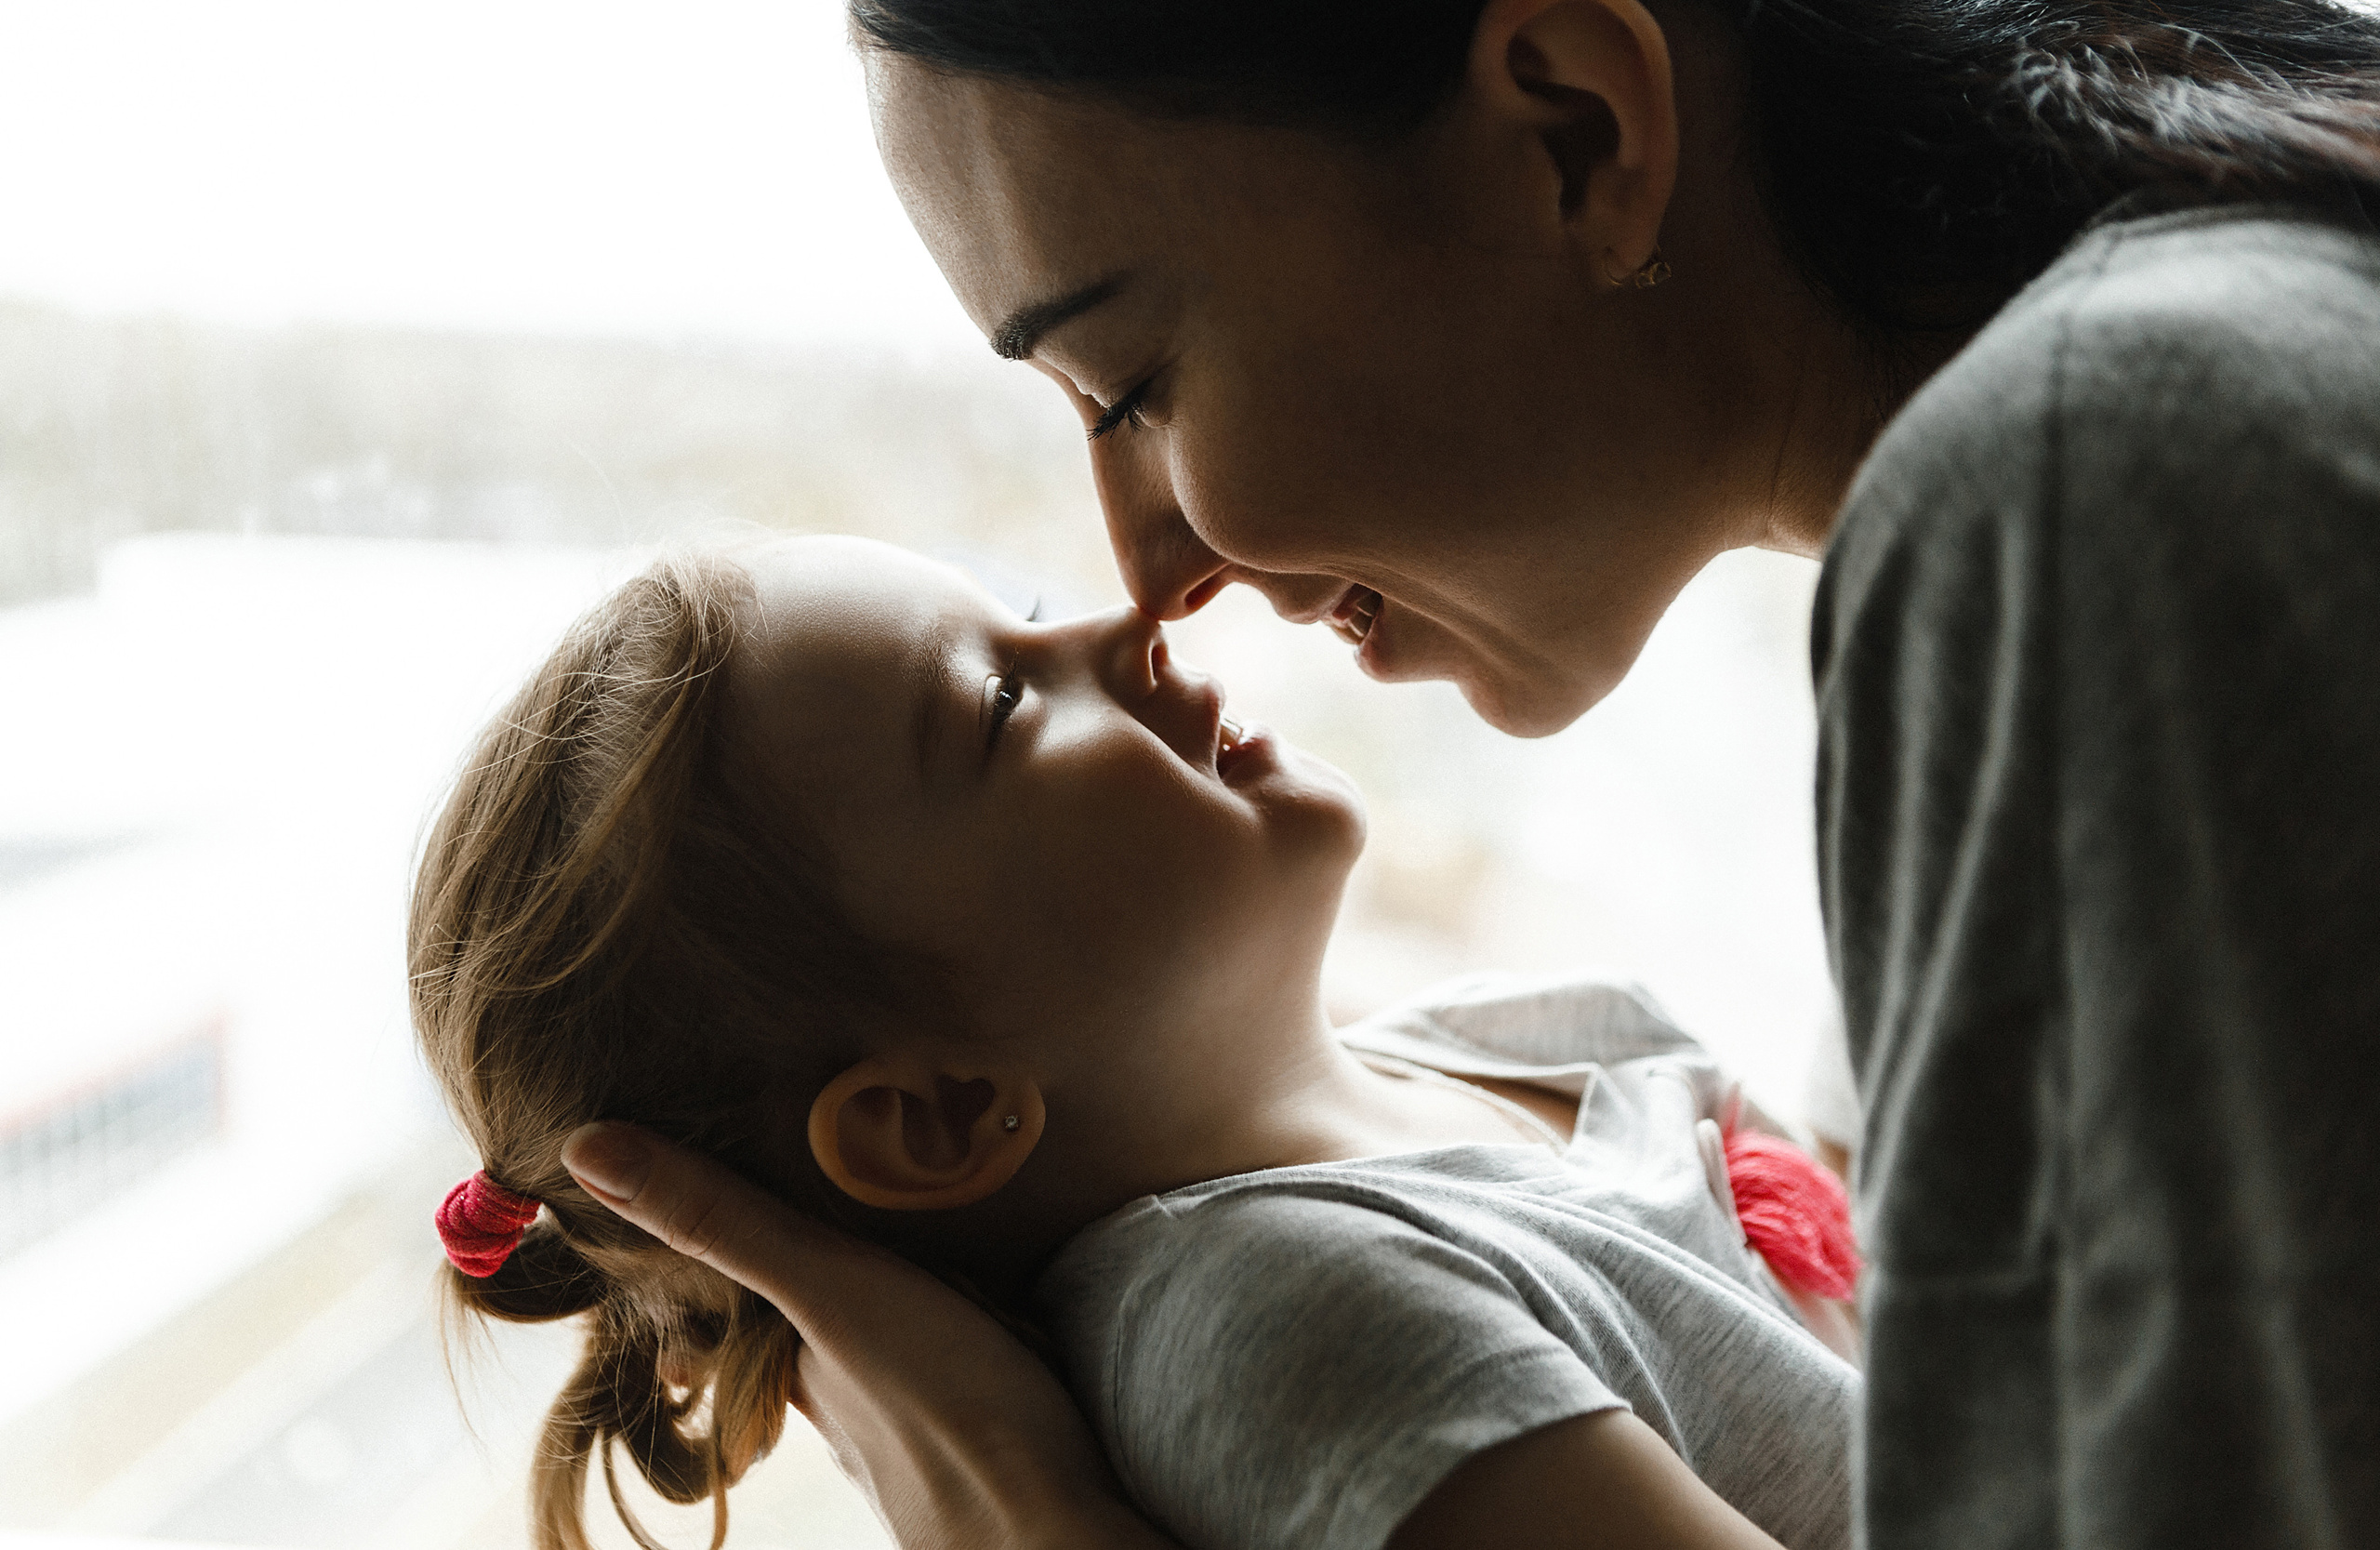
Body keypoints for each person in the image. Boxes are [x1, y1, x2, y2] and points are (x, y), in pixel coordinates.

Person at [557, 0, 2380, 1548]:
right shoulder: (2169, 414)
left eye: (1132, 385)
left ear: (1572, 132)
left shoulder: (2103, 492)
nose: (1152, 576)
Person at [415, 535, 1862, 1550]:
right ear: (937, 1111)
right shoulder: (1287, 1325)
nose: (1123, 624)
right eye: (997, 700)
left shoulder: (1494, 1042)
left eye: (1021, 607)